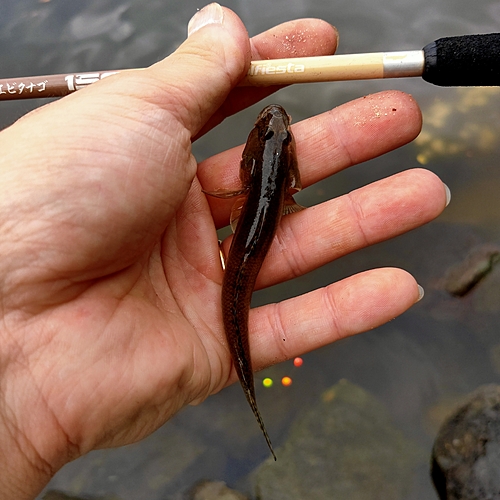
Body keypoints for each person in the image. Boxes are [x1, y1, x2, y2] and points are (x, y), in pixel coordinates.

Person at [0, 3, 448, 498]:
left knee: (238, 306)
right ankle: (254, 399)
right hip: (251, 238)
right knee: (238, 307)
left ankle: (256, 398)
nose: (273, 124)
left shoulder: (252, 182)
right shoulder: (279, 180)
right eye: (270, 132)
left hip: (248, 242)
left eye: (270, 134)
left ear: (250, 171)